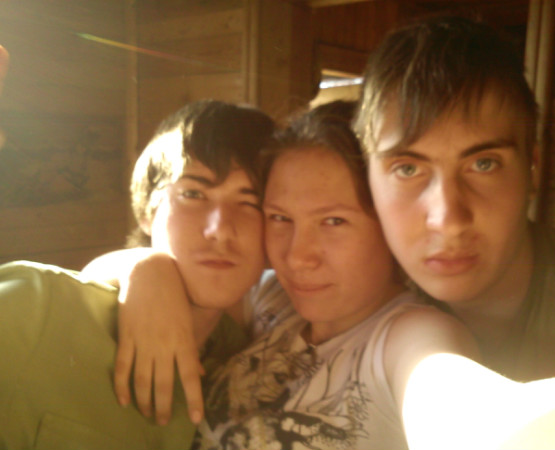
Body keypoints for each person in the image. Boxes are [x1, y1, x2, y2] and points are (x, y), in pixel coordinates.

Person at [99, 100, 479, 449]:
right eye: (280, 218)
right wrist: (145, 269)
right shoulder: (273, 298)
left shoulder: (410, 337)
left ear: (389, 222)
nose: (297, 258)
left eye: (333, 221)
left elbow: (460, 404)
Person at [0, 96, 274, 449]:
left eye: (249, 202)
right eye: (193, 193)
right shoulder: (33, 311)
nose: (220, 229)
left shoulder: (245, 358)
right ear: (147, 212)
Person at [354, 15, 555, 382]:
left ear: (533, 169)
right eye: (407, 169)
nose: (448, 221)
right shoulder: (348, 292)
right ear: (368, 178)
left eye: (483, 164)